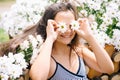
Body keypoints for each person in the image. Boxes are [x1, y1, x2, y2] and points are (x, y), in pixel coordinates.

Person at [29, 2, 114, 80]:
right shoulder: (47, 58)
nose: (68, 31)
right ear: (50, 27)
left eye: (71, 25)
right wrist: (50, 38)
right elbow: (38, 78)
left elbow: (108, 69)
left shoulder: (78, 50)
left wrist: (89, 37)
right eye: (62, 26)